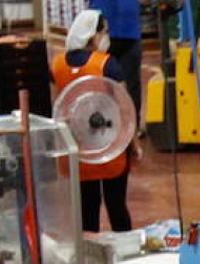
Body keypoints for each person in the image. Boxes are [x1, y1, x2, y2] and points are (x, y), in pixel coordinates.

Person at [52, 10, 138, 234]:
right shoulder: (107, 64)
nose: (106, 38)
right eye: (104, 33)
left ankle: (88, 258)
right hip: (110, 148)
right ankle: (125, 255)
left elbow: (56, 106)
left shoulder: (57, 65)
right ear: (92, 35)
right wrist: (134, 145)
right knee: (116, 207)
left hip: (78, 150)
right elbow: (125, 108)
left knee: (87, 211)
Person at [92, 0, 145, 112]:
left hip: (129, 31)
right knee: (101, 83)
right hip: (102, 31)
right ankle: (102, 123)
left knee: (132, 84)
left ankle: (133, 124)